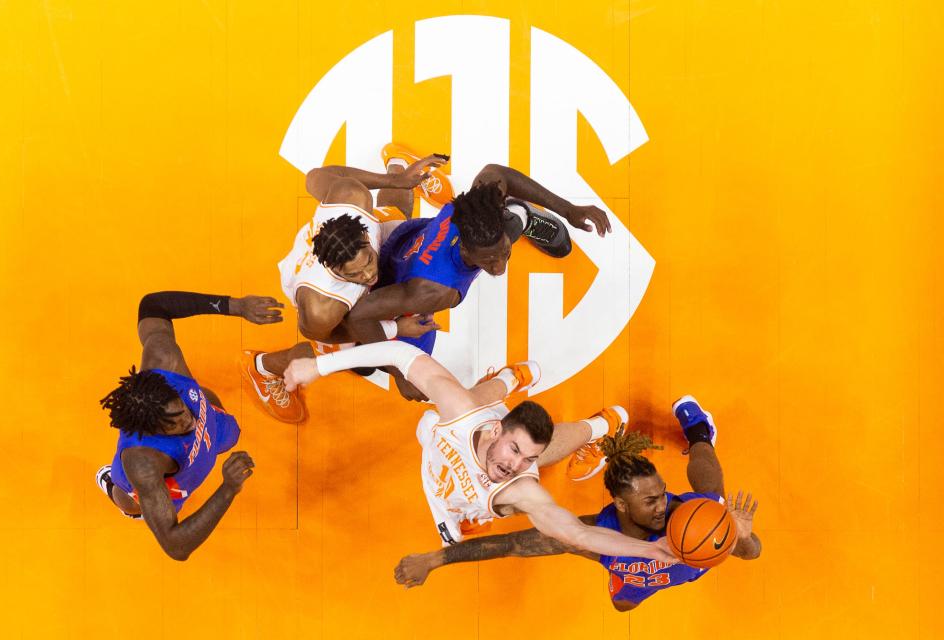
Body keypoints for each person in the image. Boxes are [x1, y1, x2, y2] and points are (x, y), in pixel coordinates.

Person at [283, 340, 675, 561]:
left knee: (549, 448)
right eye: (515, 450)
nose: (516, 466)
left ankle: (600, 427)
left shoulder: (520, 488)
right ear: (496, 429)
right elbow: (398, 354)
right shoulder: (464, 413)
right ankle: (508, 381)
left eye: (527, 459)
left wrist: (650, 550)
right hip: (446, 438)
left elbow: (578, 533)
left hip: (460, 499)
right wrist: (319, 366)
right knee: (456, 401)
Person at [393, 396, 762, 611]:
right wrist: (435, 559)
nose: (662, 505)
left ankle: (700, 434)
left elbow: (753, 552)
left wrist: (740, 536)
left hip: (696, 548)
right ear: (619, 504)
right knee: (622, 605)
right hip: (629, 574)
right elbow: (513, 545)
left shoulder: (693, 519)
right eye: (649, 501)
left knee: (714, 493)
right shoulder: (596, 534)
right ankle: (601, 430)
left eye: (661, 493)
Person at [342, 151, 615, 363]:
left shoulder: (474, 215)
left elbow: (495, 173)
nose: (500, 269)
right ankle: (402, 170)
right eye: (489, 262)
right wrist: (398, 372)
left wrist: (568, 210)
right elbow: (358, 317)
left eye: (504, 254)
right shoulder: (432, 291)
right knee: (373, 359)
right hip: (393, 261)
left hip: (414, 236)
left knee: (509, 223)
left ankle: (522, 214)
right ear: (463, 247)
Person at [240, 149, 447, 421]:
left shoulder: (351, 199)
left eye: (369, 262)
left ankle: (396, 165)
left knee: (398, 222)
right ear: (336, 270)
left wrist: (395, 182)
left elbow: (317, 176)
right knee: (328, 356)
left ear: (364, 234)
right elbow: (329, 334)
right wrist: (395, 339)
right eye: (356, 275)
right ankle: (261, 368)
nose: (369, 275)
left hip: (348, 249)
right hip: (331, 320)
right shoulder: (322, 307)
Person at [95, 290, 283, 560]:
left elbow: (153, 304)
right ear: (153, 432)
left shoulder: (164, 359)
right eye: (177, 424)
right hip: (168, 483)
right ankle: (111, 485)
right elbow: (176, 546)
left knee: (221, 421)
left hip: (214, 431)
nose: (191, 420)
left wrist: (236, 306)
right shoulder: (143, 463)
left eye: (182, 409)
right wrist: (228, 488)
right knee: (133, 503)